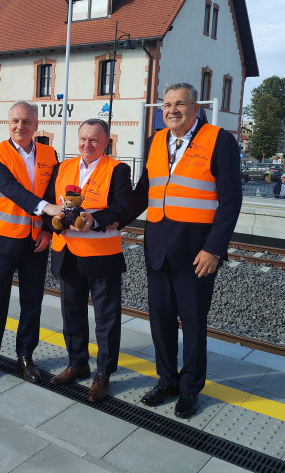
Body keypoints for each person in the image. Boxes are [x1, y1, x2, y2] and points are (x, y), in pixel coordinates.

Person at [129, 82, 242, 419]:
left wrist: (214, 250)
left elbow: (230, 201)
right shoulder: (155, 141)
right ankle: (167, 380)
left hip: (196, 254)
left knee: (192, 323)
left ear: (196, 109)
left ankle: (190, 388)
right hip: (158, 248)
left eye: (180, 104)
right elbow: (141, 194)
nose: (172, 110)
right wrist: (100, 218)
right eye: (166, 105)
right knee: (160, 319)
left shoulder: (219, 140)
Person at [45, 119, 131, 403]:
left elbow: (122, 207)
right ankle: (77, 363)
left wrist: (95, 219)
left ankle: (103, 373)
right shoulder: (63, 167)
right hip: (67, 254)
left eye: (94, 140)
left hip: (102, 256)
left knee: (106, 319)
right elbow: (49, 204)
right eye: (83, 139)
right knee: (72, 314)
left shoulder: (117, 169)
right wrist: (51, 226)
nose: (87, 145)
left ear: (106, 142)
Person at [0, 101, 60, 385]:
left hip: (36, 242)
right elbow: (12, 190)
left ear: (36, 125)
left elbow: (53, 192)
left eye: (26, 122)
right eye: (14, 121)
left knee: (32, 303)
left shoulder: (50, 154)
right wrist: (45, 208)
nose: (19, 127)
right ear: (7, 124)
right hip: (2, 239)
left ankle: (25, 356)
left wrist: (48, 230)